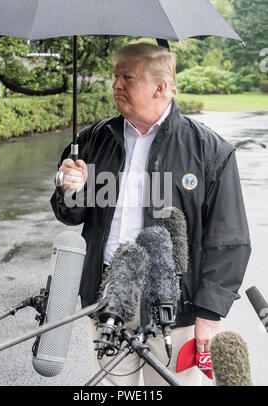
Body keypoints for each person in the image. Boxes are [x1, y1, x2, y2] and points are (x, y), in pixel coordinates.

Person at [50, 42, 251, 386]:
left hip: (175, 306)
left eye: (127, 78)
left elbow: (228, 239)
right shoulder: (94, 140)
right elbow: (70, 214)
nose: (115, 85)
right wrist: (70, 188)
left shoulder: (210, 151)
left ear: (161, 87)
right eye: (115, 77)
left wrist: (210, 313)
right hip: (108, 295)